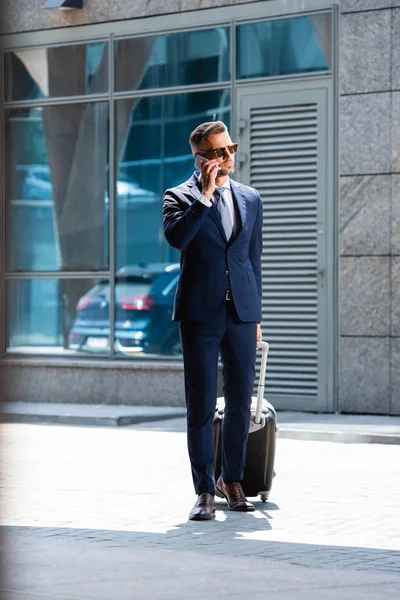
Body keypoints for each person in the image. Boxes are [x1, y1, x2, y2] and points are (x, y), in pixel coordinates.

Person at [163, 121, 263, 521]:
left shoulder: (251, 198)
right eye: (219, 152)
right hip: (200, 315)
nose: (228, 157)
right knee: (201, 406)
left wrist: (256, 315)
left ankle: (232, 480)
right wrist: (204, 196)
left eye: (230, 148)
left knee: (240, 401)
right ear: (201, 158)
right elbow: (178, 239)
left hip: (241, 312)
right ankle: (204, 490)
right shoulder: (178, 196)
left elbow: (252, 260)